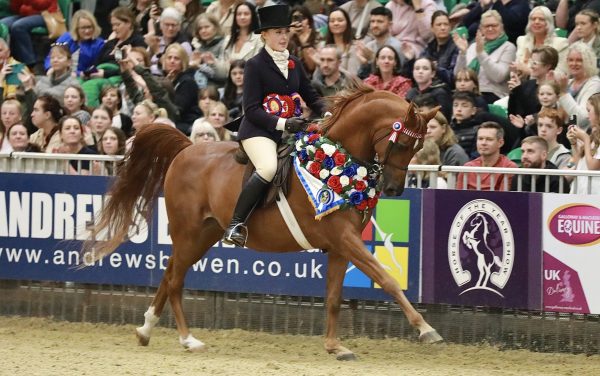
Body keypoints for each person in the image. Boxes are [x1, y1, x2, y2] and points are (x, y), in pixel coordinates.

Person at [222, 4, 326, 247]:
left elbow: (312, 97)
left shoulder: (295, 63)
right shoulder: (255, 65)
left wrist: (330, 112)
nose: (283, 37)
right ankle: (236, 224)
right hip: (258, 131)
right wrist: (283, 123)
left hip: (289, 131)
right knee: (268, 168)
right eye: (277, 32)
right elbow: (251, 109)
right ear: (264, 35)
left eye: (285, 32)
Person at [453, 10, 516, 104]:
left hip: (493, 95)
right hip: (469, 93)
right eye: (486, 26)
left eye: (494, 25)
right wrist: (463, 53)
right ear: (481, 29)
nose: (490, 29)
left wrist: (481, 53)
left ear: (501, 27)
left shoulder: (508, 47)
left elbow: (499, 76)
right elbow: (458, 76)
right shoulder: (473, 46)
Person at [456, 121, 518, 191]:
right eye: (480, 139)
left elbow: (503, 199)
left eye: (489, 139)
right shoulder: (467, 167)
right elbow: (459, 198)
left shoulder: (509, 167)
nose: (483, 143)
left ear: (500, 143)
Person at [43, 10, 105, 78]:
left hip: (81, 78)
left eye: (89, 27)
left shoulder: (99, 44)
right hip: (59, 74)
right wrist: (49, 67)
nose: (87, 31)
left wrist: (77, 74)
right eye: (83, 28)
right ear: (76, 28)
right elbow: (50, 56)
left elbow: (94, 69)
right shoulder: (66, 37)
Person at [554, 42, 600, 129]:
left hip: (584, 137)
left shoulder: (594, 84)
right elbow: (558, 116)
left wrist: (563, 93)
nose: (574, 64)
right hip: (563, 133)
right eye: (570, 60)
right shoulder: (568, 82)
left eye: (579, 60)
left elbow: (582, 119)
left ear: (588, 62)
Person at [512, 6, 568, 76]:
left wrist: (529, 71)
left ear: (549, 23)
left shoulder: (560, 44)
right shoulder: (522, 40)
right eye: (533, 19)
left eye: (541, 19)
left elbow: (560, 75)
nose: (536, 22)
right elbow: (518, 67)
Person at [1, 0, 57, 69]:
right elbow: (15, 9)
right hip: (25, 15)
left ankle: (29, 63)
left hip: (45, 14)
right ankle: (5, 60)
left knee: (18, 26)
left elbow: (43, 5)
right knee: (2, 24)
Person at [355, 7, 403, 79]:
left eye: (380, 21)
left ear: (390, 25)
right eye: (372, 21)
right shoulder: (369, 46)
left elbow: (399, 75)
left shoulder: (396, 47)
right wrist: (364, 64)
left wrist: (372, 58)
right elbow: (362, 78)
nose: (375, 25)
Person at [567, 92, 600, 194]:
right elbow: (579, 164)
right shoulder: (593, 135)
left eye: (589, 110)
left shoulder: (588, 137)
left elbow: (592, 167)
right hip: (581, 190)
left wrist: (585, 139)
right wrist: (574, 144)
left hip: (594, 194)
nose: (587, 116)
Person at [145, 7, 192, 76]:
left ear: (179, 27)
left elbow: (173, 67)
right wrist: (150, 51)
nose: (170, 28)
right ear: (160, 25)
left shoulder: (184, 45)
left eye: (173, 25)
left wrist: (157, 52)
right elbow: (146, 63)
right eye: (167, 24)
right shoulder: (157, 40)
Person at [421, 10, 459, 88]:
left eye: (446, 24)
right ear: (432, 28)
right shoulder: (430, 46)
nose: (443, 28)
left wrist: (436, 68)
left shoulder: (456, 47)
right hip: (428, 86)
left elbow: (453, 77)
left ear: (450, 27)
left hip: (446, 88)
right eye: (439, 25)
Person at [319, 8, 361, 76]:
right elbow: (317, 77)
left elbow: (353, 76)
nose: (336, 23)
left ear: (347, 23)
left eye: (340, 20)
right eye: (332, 21)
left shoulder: (354, 47)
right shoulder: (322, 46)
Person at [287, 5, 319, 76]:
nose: (299, 22)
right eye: (295, 18)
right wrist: (288, 36)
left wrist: (304, 43)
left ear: (309, 21)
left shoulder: (317, 36)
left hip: (309, 78)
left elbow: (311, 67)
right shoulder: (286, 36)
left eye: (303, 18)